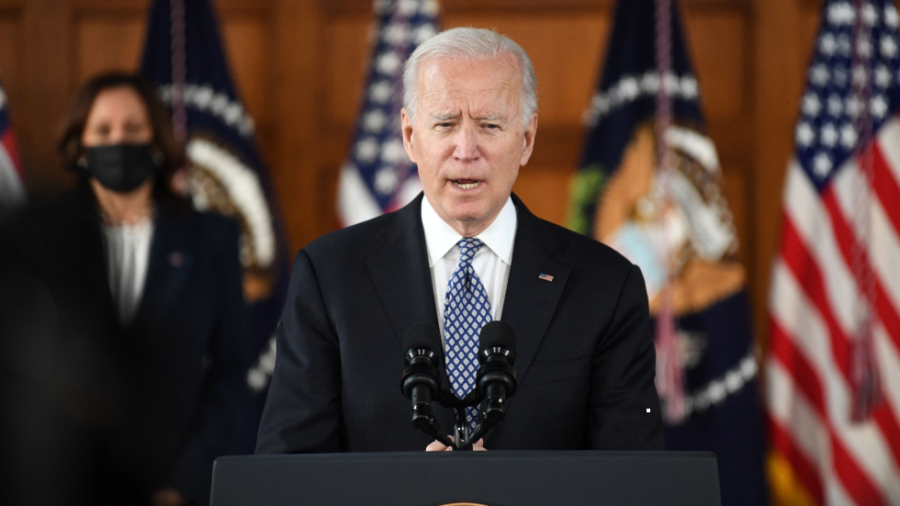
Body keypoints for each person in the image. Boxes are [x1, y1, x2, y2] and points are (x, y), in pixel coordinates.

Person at [255, 28, 663, 453]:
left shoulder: (606, 286)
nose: (466, 150)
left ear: (526, 139)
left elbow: (631, 475)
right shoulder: (329, 277)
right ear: (410, 136)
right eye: (445, 124)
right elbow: (289, 471)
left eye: (489, 125)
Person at [0, 72, 249, 505]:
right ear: (79, 146)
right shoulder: (39, 241)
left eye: (133, 129)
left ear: (156, 143)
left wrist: (180, 484)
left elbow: (229, 379)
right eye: (103, 130)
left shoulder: (213, 239)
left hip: (178, 488)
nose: (119, 141)